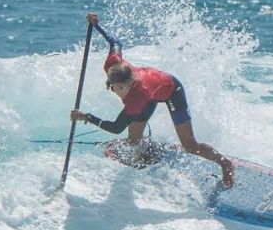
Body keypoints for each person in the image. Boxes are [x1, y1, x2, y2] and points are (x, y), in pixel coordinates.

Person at [70, 13, 235, 188]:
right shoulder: (114, 62)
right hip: (151, 91)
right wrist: (97, 26)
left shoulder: (136, 100)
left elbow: (115, 128)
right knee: (133, 141)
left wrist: (87, 117)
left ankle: (225, 163)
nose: (119, 93)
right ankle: (145, 152)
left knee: (189, 145)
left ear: (131, 83)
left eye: (122, 89)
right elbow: (115, 42)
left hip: (171, 91)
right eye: (115, 87)